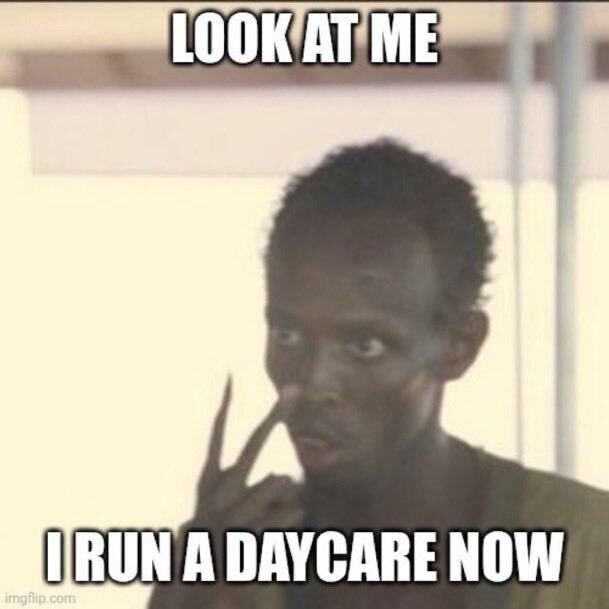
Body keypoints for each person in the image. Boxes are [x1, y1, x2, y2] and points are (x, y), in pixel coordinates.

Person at [148, 140, 609, 609]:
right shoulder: (228, 565)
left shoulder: (587, 552)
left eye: (364, 345)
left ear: (459, 345)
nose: (312, 383)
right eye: (288, 334)